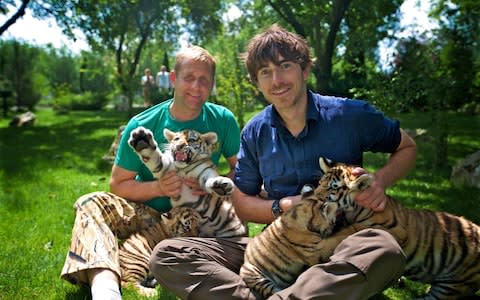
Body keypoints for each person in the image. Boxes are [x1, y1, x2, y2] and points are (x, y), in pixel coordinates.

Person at [148, 24, 417, 299]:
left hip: (340, 243)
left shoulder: (350, 115)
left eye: (285, 66)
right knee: (168, 255)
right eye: (265, 72)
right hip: (277, 248)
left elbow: (407, 146)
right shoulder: (255, 131)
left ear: (305, 70)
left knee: (385, 250)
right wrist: (281, 206)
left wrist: (380, 182)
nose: (276, 80)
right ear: (257, 82)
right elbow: (242, 202)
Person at [60, 45, 240, 300]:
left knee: (237, 203)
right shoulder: (143, 124)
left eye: (204, 80)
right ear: (174, 79)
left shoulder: (223, 119)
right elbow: (118, 184)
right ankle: (106, 289)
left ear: (211, 84)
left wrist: (215, 185)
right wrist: (159, 188)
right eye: (189, 78)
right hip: (152, 214)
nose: (196, 87)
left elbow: (242, 170)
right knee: (90, 203)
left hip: (199, 218)